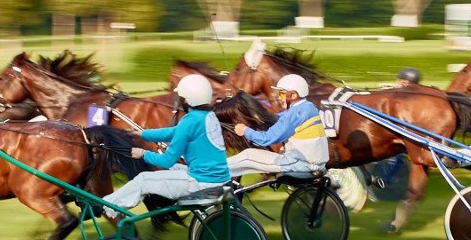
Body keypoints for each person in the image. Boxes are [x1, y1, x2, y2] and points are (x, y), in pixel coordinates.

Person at [101, 74, 230, 219]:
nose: (181, 101)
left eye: (182, 98)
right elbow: (174, 132)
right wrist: (140, 134)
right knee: (167, 170)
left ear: (188, 99)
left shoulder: (190, 121)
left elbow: (167, 160)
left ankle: (106, 207)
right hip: (219, 178)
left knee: (143, 179)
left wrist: (143, 153)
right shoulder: (208, 116)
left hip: (200, 182)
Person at [227, 73, 329, 177]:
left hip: (300, 164)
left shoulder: (295, 114)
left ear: (293, 95)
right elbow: (280, 117)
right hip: (313, 163)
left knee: (247, 156)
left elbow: (267, 139)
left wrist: (245, 130)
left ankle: (214, 173)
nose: (280, 98)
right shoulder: (308, 106)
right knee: (248, 156)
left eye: (282, 94)